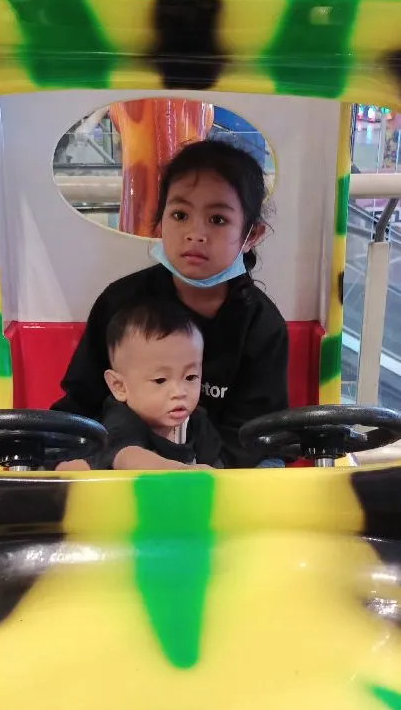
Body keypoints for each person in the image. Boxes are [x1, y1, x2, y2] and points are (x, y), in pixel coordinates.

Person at [52, 139, 288, 468]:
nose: (195, 233)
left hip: (217, 472)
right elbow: (80, 405)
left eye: (218, 220)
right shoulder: (120, 302)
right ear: (160, 220)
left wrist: (203, 481)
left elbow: (255, 436)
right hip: (119, 466)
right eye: (179, 214)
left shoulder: (261, 324)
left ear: (252, 235)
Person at [68, 299, 223, 471]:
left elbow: (216, 467)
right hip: (118, 495)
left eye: (191, 377)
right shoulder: (122, 419)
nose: (179, 392)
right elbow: (127, 456)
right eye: (160, 380)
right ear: (119, 386)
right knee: (76, 469)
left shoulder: (196, 422)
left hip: (170, 497)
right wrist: (180, 472)